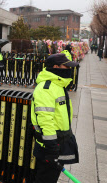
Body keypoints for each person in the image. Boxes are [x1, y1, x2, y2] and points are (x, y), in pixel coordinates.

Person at [31, 53, 79, 183]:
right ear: (56, 67)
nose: (69, 70)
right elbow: (45, 120)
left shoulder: (58, 85)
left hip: (59, 141)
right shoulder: (46, 88)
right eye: (66, 66)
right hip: (51, 145)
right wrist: (52, 147)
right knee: (46, 178)